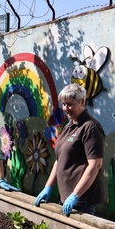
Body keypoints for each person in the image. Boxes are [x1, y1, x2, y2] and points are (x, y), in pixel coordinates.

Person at [34, 83, 105, 216]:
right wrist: (48, 186)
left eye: (70, 104)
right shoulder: (70, 125)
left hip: (83, 199)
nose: (66, 108)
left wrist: (75, 195)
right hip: (66, 196)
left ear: (82, 102)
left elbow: (95, 165)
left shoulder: (90, 128)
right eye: (64, 104)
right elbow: (60, 159)